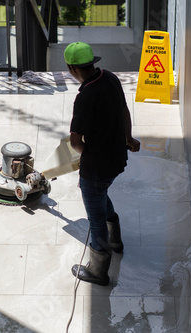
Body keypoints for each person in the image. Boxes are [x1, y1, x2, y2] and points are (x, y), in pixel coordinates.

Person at [65, 42, 140, 286]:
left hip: (96, 168)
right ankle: (116, 242)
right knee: (100, 194)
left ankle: (98, 271)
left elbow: (75, 142)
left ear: (72, 68)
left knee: (95, 216)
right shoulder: (110, 78)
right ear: (93, 62)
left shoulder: (85, 96)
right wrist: (128, 139)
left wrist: (88, 154)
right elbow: (125, 110)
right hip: (117, 160)